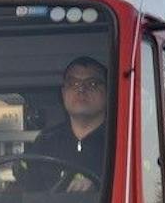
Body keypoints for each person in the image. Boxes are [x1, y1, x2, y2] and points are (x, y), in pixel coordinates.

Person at [29, 56, 110, 193]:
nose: (81, 90)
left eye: (92, 84)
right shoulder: (45, 141)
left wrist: (100, 187)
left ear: (109, 91)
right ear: (63, 93)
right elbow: (29, 190)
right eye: (73, 83)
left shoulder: (122, 141)